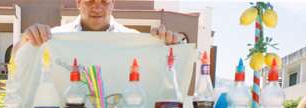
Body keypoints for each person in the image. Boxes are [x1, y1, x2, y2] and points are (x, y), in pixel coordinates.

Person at [16, 0, 183, 52]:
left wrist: (172, 46)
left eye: (104, 1)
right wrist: (25, 41)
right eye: (90, 1)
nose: (97, 7)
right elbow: (17, 66)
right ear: (78, 3)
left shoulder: (133, 39)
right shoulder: (51, 37)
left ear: (112, 4)